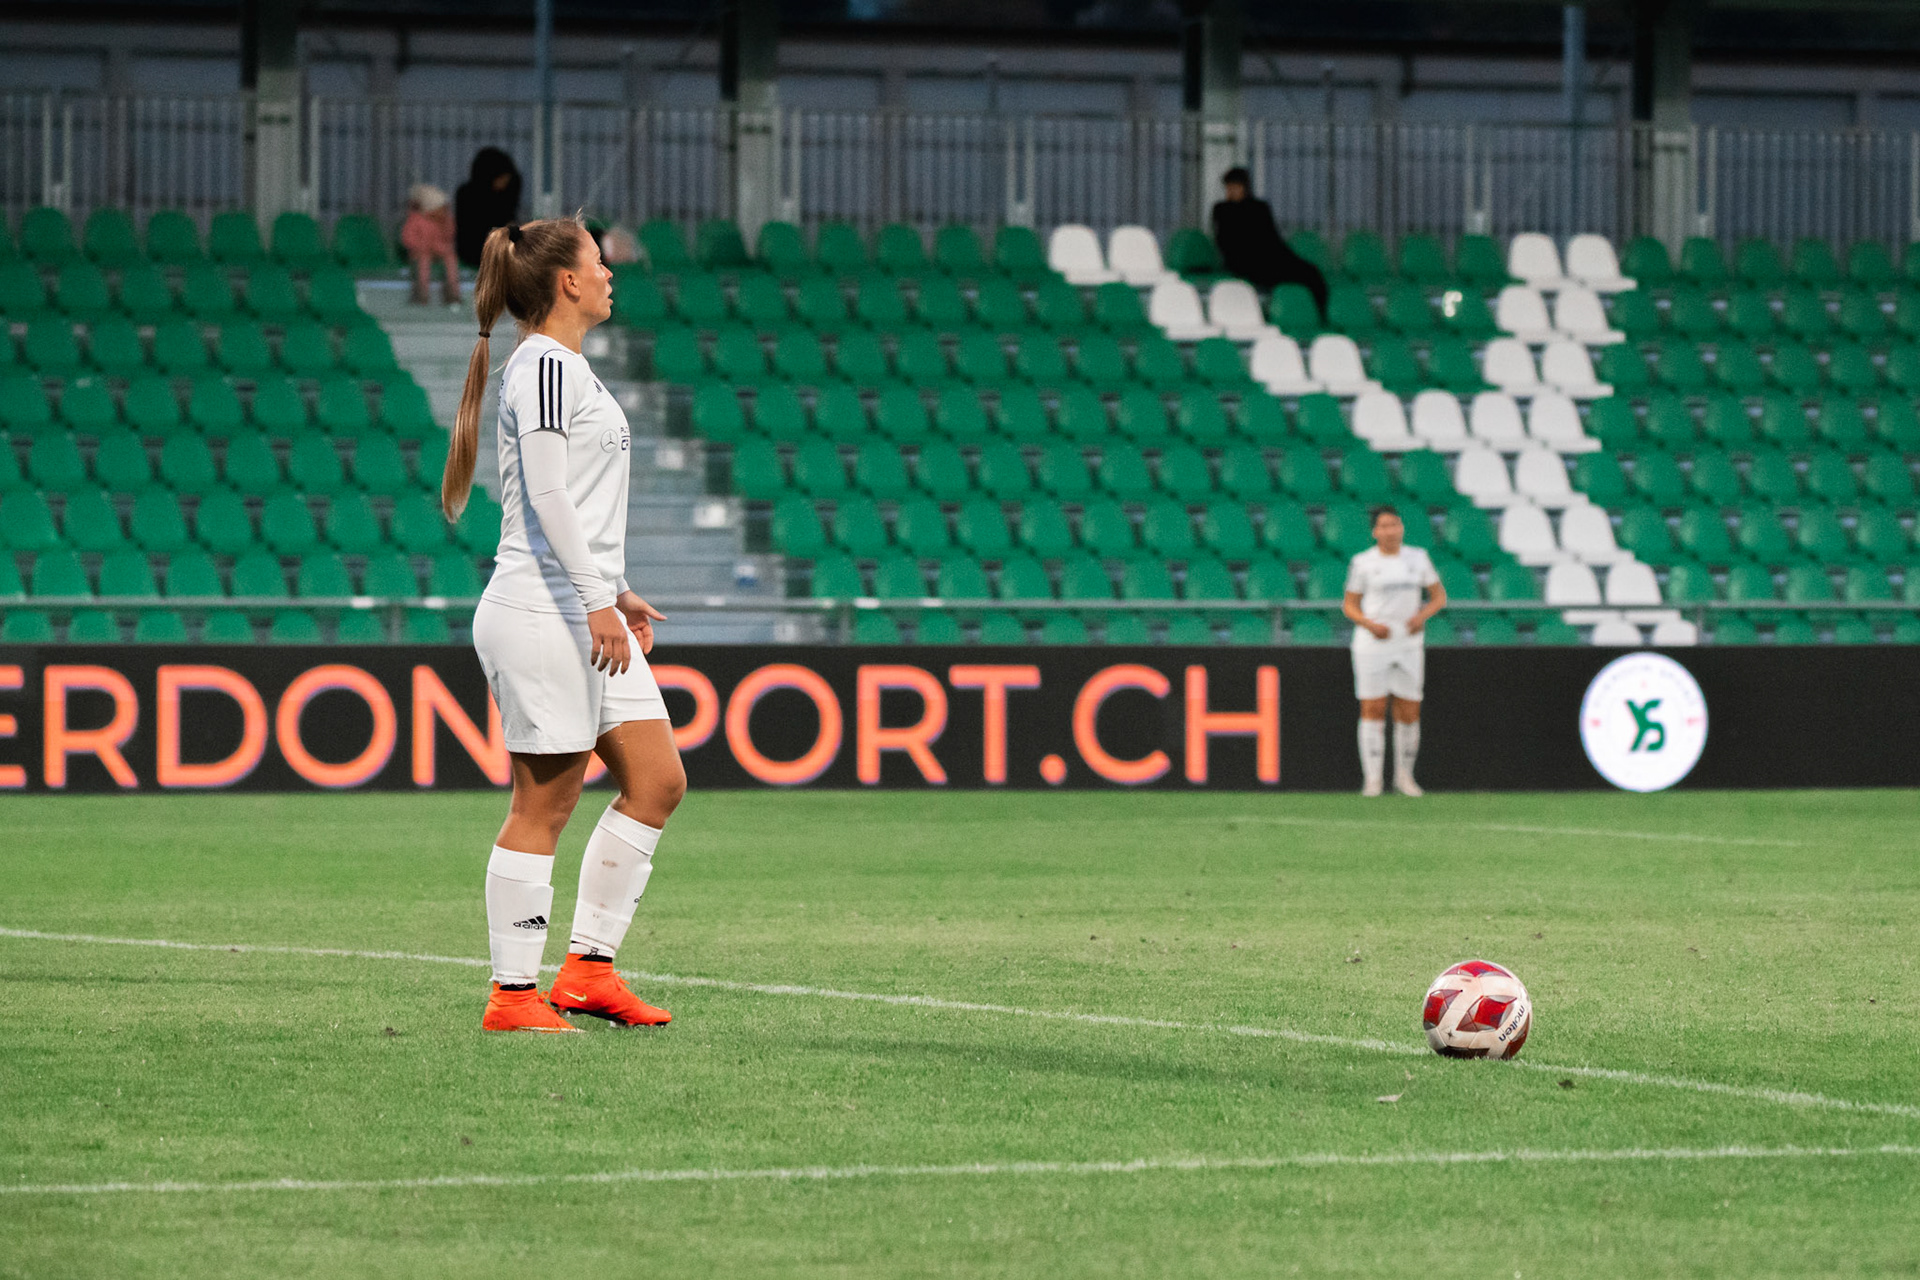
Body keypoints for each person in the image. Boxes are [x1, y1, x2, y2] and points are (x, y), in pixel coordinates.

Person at [443, 215, 685, 1033]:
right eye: (599, 261)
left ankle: (586, 972)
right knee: (544, 802)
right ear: (566, 283)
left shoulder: (566, 369)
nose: (612, 273)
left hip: (579, 605)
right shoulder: (543, 365)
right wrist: (592, 598)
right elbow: (545, 495)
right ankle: (512, 994)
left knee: (656, 782)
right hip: (543, 611)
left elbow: (572, 499)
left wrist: (614, 589)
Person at [1341, 507, 1446, 798]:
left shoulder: (1418, 557)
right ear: (1375, 531)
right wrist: (1369, 624)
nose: (1391, 530)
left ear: (1401, 527)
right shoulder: (1363, 562)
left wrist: (1421, 616)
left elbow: (1438, 596)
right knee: (1373, 708)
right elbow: (1350, 605)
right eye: (1384, 526)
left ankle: (1404, 777)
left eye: (1395, 524)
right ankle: (1373, 779)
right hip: (1373, 643)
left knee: (1409, 711)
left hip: (1408, 642)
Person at [1210, 166, 1329, 324]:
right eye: (1229, 187)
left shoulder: (1259, 208)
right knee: (1277, 274)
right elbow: (1225, 242)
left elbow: (1272, 238)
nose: (1231, 191)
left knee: (1311, 272)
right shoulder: (1222, 210)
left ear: (1244, 187)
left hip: (1270, 256)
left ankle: (1320, 318)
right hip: (1243, 261)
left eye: (1235, 187)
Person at [454, 146, 523, 268]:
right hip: (475, 250)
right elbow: (471, 231)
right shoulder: (467, 195)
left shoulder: (506, 194)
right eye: (501, 179)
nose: (504, 183)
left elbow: (509, 220)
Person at [400, 184, 461, 308]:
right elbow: (407, 238)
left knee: (451, 259)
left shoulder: (445, 221)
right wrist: (418, 246)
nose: (443, 211)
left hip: (438, 250)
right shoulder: (415, 220)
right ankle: (422, 293)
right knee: (423, 262)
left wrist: (446, 225)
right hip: (420, 252)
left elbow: (449, 236)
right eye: (440, 208)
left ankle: (453, 292)